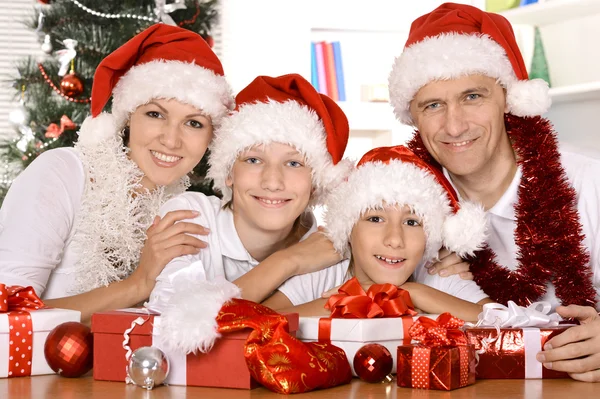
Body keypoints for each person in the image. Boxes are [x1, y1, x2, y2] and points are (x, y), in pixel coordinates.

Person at [387, 2, 600, 381]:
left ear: (508, 99)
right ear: (413, 118)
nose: (454, 126)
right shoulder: (403, 206)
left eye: (473, 96)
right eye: (433, 105)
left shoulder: (588, 183)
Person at [0, 24, 234, 323]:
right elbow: (9, 316)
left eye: (194, 123)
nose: (172, 140)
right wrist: (139, 283)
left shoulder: (189, 211)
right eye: (155, 114)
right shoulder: (61, 174)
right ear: (128, 118)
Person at [146, 73, 352, 314]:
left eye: (294, 163)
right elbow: (174, 321)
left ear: (315, 182)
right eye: (254, 160)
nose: (272, 182)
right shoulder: (190, 217)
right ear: (229, 173)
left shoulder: (327, 250)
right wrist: (286, 262)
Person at [263, 145, 490, 322]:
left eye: (411, 222)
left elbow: (512, 324)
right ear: (348, 229)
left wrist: (410, 293)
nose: (394, 239)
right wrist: (356, 301)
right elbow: (254, 322)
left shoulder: (437, 274)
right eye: (375, 219)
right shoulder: (321, 275)